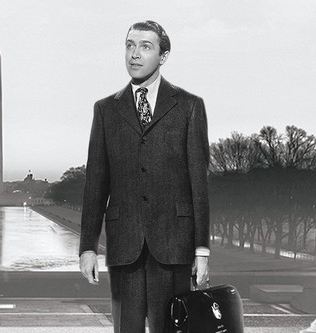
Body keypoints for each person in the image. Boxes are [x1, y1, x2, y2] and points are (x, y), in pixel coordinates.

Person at [79, 20, 211, 333]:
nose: (134, 54)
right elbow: (96, 183)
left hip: (174, 244)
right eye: (129, 45)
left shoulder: (190, 107)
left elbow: (199, 185)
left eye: (145, 46)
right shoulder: (105, 110)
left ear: (163, 56)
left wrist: (201, 251)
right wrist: (87, 247)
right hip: (125, 245)